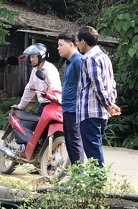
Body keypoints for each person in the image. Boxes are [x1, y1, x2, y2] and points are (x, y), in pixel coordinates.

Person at [76, 26, 121, 167]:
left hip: (90, 111)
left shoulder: (90, 58)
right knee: (95, 146)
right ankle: (97, 176)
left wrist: (108, 105)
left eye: (78, 41)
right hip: (102, 113)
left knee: (92, 149)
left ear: (83, 42)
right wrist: (111, 103)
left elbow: (97, 84)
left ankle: (98, 178)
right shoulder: (104, 57)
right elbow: (111, 83)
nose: (77, 44)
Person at [57, 32, 85, 165]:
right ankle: (75, 172)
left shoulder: (78, 60)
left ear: (71, 45)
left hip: (75, 109)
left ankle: (78, 173)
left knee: (74, 141)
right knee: (69, 141)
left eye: (61, 45)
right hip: (67, 108)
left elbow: (85, 83)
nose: (58, 48)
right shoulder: (70, 62)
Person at [12, 43, 61, 116]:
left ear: (41, 56)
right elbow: (29, 89)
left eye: (33, 57)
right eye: (30, 57)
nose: (31, 60)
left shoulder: (50, 69)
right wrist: (20, 106)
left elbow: (55, 88)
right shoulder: (35, 70)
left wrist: (51, 95)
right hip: (43, 105)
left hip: (53, 105)